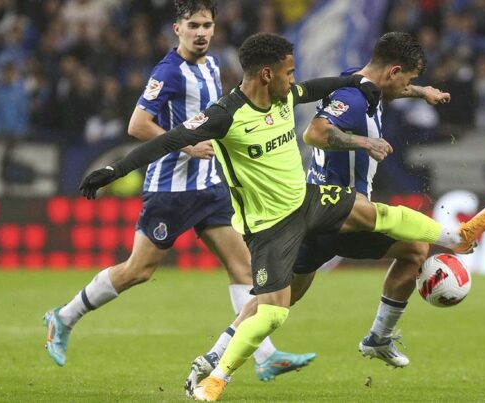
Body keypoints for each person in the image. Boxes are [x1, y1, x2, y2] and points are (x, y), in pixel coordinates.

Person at [77, 33, 485, 401]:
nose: (294, 80)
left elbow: (329, 84)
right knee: (274, 312)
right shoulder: (225, 116)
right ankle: (214, 378)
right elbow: (167, 140)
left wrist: (408, 89)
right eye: (289, 72)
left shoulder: (286, 95)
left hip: (309, 200)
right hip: (271, 228)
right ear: (266, 74)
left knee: (377, 214)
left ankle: (457, 237)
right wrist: (114, 172)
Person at [43, 1, 314, 381]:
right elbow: (138, 124)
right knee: (138, 270)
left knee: (243, 268)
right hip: (171, 189)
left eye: (207, 25)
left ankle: (263, 355)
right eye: (194, 25)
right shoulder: (169, 71)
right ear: (177, 29)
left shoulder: (214, 63)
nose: (201, 32)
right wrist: (187, 146)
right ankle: (64, 316)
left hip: (208, 186)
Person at [187, 32, 454, 376]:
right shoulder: (354, 99)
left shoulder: (359, 82)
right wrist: (363, 142)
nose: (409, 87)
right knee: (415, 247)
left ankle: (213, 358)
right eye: (409, 80)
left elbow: (382, 86)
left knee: (280, 300)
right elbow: (314, 132)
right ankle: (381, 333)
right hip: (336, 210)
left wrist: (422, 92)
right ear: (393, 71)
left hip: (321, 210)